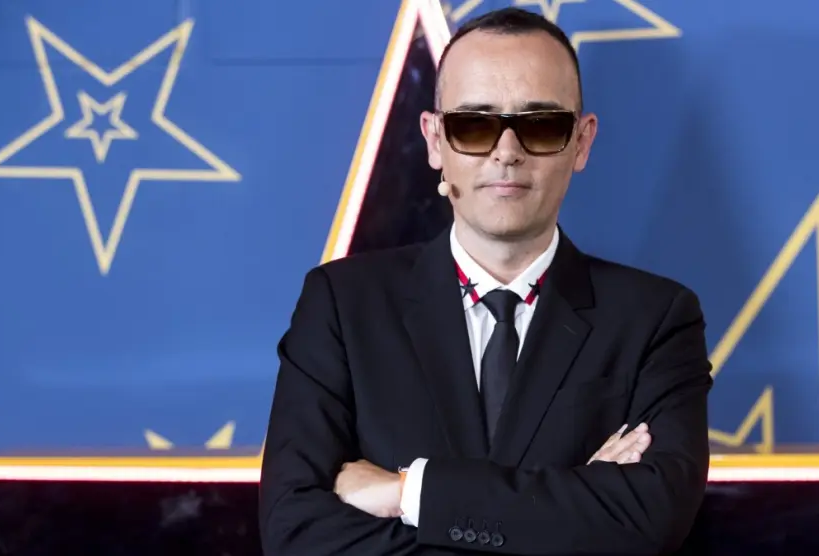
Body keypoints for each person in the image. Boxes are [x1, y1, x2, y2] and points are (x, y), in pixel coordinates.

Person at [258, 7, 712, 555]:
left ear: (581, 141)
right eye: (474, 124)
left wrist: (410, 493)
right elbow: (295, 533)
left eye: (540, 125)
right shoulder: (340, 306)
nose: (507, 152)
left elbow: (649, 522)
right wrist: (572, 511)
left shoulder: (656, 319)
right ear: (434, 139)